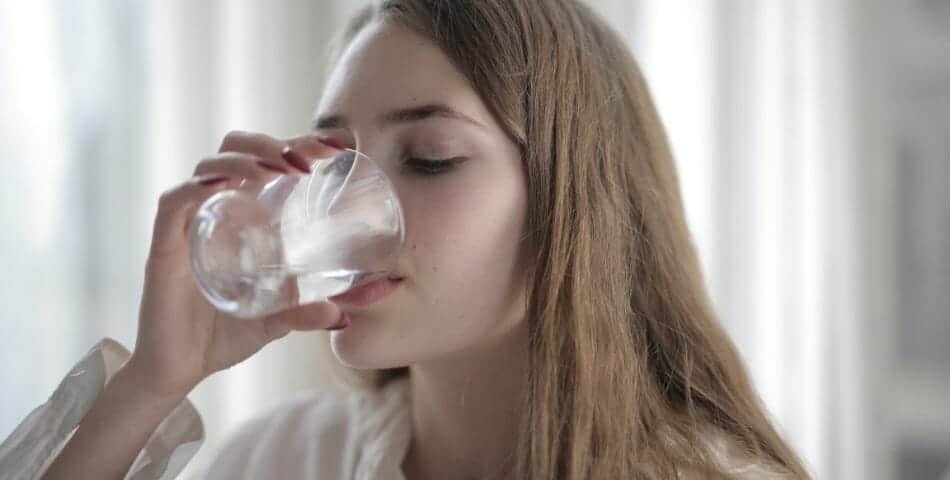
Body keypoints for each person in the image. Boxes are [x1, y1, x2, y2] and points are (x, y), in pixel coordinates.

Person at [0, 1, 811, 479]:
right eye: (334, 161)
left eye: (428, 159)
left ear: (573, 204)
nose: (347, 209)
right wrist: (148, 385)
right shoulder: (288, 458)